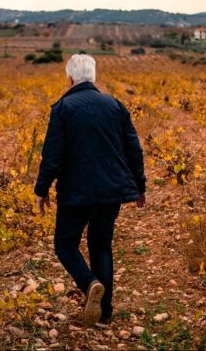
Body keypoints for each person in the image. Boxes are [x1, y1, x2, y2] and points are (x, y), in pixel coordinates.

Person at [34, 53, 146, 326]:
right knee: (102, 248)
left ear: (70, 78)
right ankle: (105, 314)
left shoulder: (63, 108)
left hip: (76, 193)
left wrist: (42, 188)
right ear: (93, 77)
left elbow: (52, 155)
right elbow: (134, 149)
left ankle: (89, 284)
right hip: (111, 192)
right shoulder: (115, 106)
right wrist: (140, 186)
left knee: (64, 244)